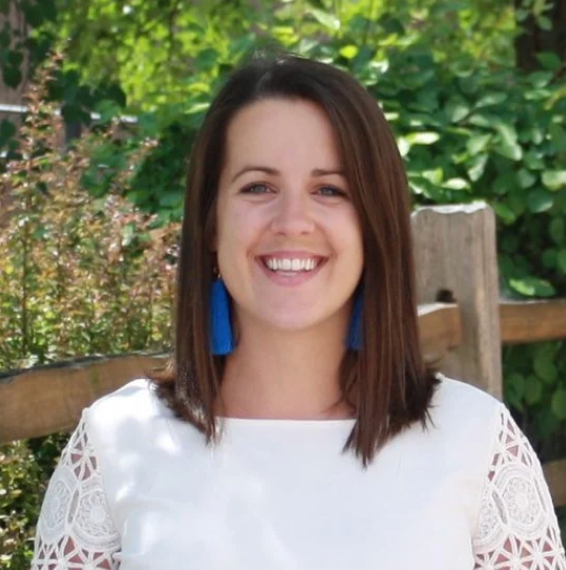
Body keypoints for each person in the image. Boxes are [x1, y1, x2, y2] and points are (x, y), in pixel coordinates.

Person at [31, 50, 565, 570]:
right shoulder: (117, 439)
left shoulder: (476, 440)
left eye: (329, 189)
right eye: (258, 186)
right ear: (212, 223)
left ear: (374, 225)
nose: (292, 220)